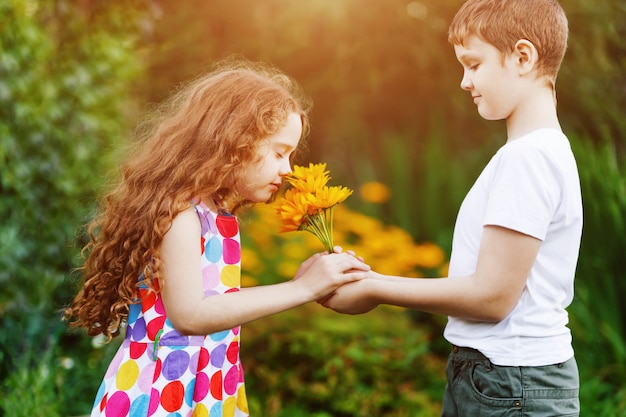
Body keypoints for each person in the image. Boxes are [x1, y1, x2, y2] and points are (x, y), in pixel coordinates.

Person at [64, 59, 370, 417]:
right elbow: (190, 315)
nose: (287, 170)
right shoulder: (180, 215)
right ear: (234, 142)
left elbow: (218, 303)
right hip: (161, 395)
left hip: (207, 387)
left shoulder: (219, 215)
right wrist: (301, 290)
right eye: (279, 152)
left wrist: (307, 279)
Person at [323, 1, 582, 416]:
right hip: (504, 378)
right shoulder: (541, 152)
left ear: (522, 56)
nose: (464, 81)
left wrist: (374, 286)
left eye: (473, 64)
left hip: (510, 382)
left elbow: (492, 296)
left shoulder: (527, 159)